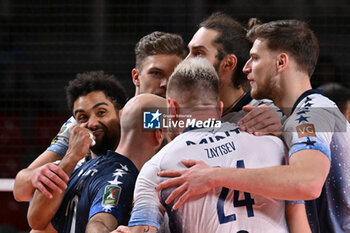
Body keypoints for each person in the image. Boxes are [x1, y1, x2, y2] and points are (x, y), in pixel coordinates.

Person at [157, 19, 350, 233]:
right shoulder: (294, 114)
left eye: (255, 58)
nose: (246, 67)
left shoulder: (307, 112)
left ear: (280, 62)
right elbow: (142, 120)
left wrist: (213, 176)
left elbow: (307, 182)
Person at [114, 58, 311, 233]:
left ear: (172, 108)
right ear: (219, 108)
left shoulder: (158, 166)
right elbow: (299, 223)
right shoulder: (273, 145)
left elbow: (142, 230)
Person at [13, 31, 186, 202]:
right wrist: (36, 176)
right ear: (136, 77)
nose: (166, 84)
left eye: (175, 76)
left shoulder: (191, 122)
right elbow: (20, 190)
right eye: (156, 73)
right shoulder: (89, 123)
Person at [28, 93, 167, 233]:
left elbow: (39, 228)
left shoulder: (82, 166)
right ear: (158, 135)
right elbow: (99, 223)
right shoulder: (121, 176)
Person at [186, 12, 283, 134]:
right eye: (189, 52)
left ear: (228, 63)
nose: (186, 61)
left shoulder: (266, 115)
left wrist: (282, 131)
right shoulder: (185, 111)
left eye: (198, 53)